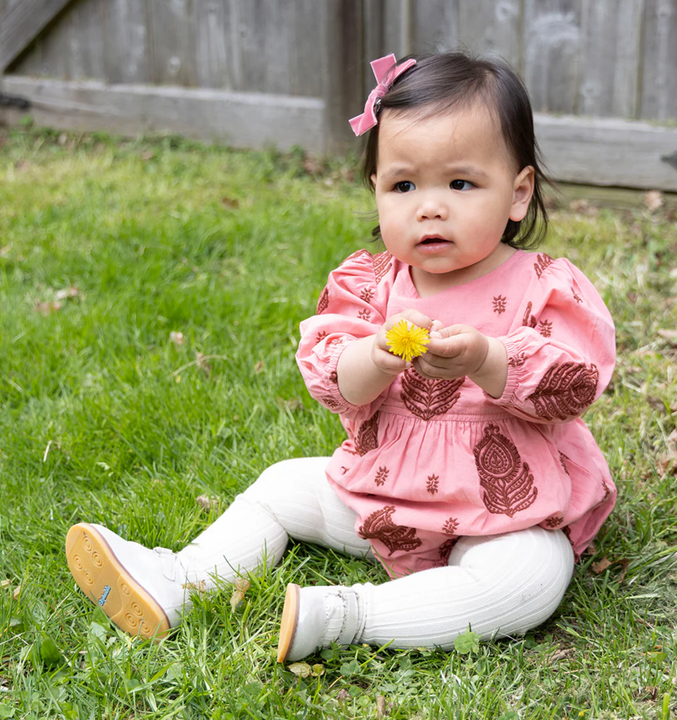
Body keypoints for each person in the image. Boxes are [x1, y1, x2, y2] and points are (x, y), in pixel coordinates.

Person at [65, 51, 616, 662]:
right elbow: (333, 382)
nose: (429, 206)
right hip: (383, 496)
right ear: (376, 191)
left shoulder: (543, 285)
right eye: (404, 185)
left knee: (530, 575)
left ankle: (345, 616)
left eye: (460, 183)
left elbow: (576, 381)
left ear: (517, 194)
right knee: (280, 487)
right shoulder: (371, 285)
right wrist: (374, 356)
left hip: (505, 509)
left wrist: (488, 357)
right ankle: (183, 579)